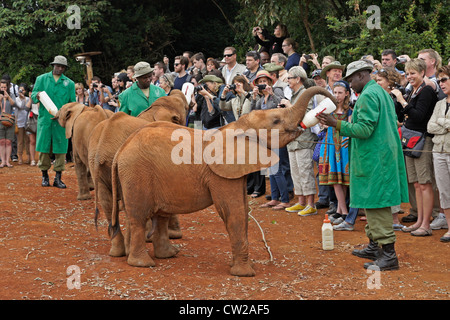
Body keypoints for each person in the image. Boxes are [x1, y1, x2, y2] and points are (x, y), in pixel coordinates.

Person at [317, 60, 408, 271]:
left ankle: (388, 255)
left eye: (350, 79)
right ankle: (374, 245)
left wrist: (335, 123)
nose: (349, 84)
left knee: (377, 203)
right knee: (371, 199)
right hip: (380, 155)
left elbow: (364, 129)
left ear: (361, 75)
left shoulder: (368, 95)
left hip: (375, 158)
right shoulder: (380, 91)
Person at [391, 58, 438, 237]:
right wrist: (398, 102)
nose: (409, 76)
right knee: (417, 183)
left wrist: (402, 100)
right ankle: (419, 219)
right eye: (408, 73)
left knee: (425, 183)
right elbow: (405, 114)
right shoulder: (413, 90)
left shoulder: (426, 92)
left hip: (422, 140)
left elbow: (418, 116)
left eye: (413, 73)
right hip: (410, 139)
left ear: (422, 73)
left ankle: (426, 224)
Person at [31, 55, 76, 188]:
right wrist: (37, 95)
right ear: (53, 65)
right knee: (44, 149)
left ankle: (58, 178)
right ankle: (44, 176)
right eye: (58, 66)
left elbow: (72, 103)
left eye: (62, 67)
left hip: (61, 122)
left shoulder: (70, 83)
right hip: (45, 120)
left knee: (61, 149)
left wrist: (64, 115)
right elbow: (33, 95)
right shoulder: (41, 79)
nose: (60, 68)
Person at [279, 66, 318, 216]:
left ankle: (311, 204)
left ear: (298, 79)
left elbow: (308, 115)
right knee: (296, 172)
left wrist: (290, 107)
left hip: (304, 139)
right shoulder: (294, 94)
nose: (287, 80)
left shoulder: (305, 94)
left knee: (305, 171)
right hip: (293, 139)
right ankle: (301, 202)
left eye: (289, 77)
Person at [318, 80, 351, 221]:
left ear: (346, 94)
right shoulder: (329, 109)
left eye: (340, 93)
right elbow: (320, 123)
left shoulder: (349, 110)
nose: (337, 95)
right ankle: (342, 210)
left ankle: (342, 210)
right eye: (335, 92)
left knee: (343, 179)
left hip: (343, 145)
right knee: (335, 180)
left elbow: (350, 127)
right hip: (331, 144)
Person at [427, 65, 450, 242]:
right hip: (438, 151)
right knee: (443, 191)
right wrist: (446, 123)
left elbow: (437, 125)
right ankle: (449, 228)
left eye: (444, 79)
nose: (441, 83)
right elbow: (430, 127)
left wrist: (440, 123)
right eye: (439, 80)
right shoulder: (440, 103)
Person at [0, 79, 17, 168]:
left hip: (10, 120)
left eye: (5, 87)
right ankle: (2, 161)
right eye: (2, 87)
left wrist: (8, 97)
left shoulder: (12, 95)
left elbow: (14, 104)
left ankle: (7, 161)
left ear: (8, 87)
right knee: (2, 141)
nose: (3, 89)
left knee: (9, 141)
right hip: (0, 121)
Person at [14, 84, 32, 164]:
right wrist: (22, 98)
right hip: (19, 122)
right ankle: (20, 157)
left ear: (25, 91)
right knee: (20, 141)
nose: (21, 91)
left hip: (27, 122)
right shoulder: (16, 99)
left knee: (28, 140)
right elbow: (21, 106)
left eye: (23, 90)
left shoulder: (28, 99)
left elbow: (27, 108)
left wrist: (24, 98)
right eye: (20, 90)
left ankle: (29, 157)